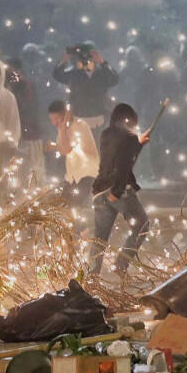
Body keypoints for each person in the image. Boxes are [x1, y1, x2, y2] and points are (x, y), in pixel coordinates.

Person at [89, 103, 151, 277]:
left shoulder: (106, 134)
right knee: (142, 225)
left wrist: (138, 145)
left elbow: (118, 157)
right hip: (119, 191)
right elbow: (123, 164)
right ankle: (121, 264)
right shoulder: (130, 137)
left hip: (99, 191)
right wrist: (116, 192)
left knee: (99, 239)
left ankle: (91, 277)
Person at [53, 43, 119, 134]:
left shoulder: (102, 74)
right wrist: (65, 59)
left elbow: (114, 79)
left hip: (99, 120)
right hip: (79, 118)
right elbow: (57, 75)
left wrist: (102, 62)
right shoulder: (75, 74)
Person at [48, 100, 99, 205]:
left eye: (57, 118)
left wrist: (62, 130)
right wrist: (60, 134)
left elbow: (67, 149)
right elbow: (63, 151)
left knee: (71, 206)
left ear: (66, 114)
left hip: (87, 174)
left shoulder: (80, 126)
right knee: (59, 205)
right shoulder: (62, 128)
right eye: (52, 120)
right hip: (73, 176)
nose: (54, 123)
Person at [6, 59, 46, 186]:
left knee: (33, 168)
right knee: (20, 171)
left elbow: (25, 107)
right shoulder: (12, 86)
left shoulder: (24, 86)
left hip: (28, 133)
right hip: (20, 134)